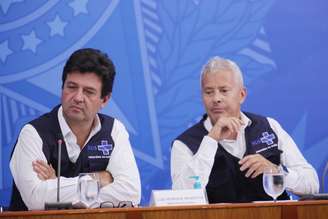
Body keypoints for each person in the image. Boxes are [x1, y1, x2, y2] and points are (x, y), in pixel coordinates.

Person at [171, 56, 319, 203]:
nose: (216, 98)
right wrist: (210, 140)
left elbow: (312, 185)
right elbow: (181, 199)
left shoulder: (269, 126)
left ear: (242, 95)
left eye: (224, 90)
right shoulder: (185, 144)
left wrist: (276, 172)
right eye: (209, 92)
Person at [9, 48, 141, 210]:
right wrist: (99, 179)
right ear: (62, 88)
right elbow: (36, 198)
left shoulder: (114, 131)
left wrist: (56, 186)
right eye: (71, 87)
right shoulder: (33, 133)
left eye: (88, 91)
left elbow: (131, 193)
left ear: (104, 100)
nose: (78, 97)